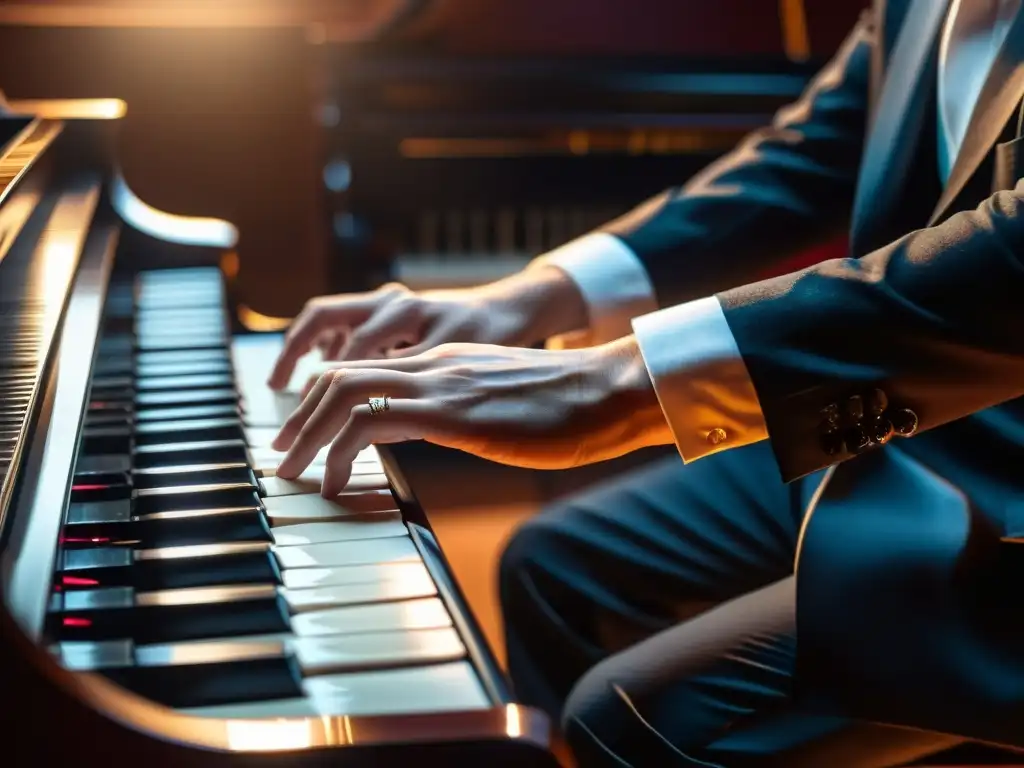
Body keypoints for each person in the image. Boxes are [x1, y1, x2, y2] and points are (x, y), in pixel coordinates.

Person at [267, 1, 1024, 764]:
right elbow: (816, 151)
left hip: (1009, 478)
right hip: (920, 432)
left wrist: (618, 382)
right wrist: (530, 297)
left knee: (632, 715)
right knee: (552, 568)